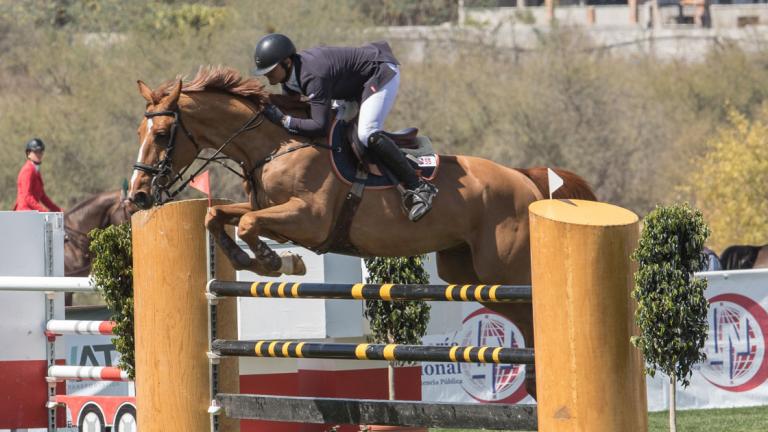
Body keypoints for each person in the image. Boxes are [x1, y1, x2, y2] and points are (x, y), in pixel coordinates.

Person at [251, 33, 438, 222]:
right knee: (339, 128)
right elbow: (296, 106)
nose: (267, 75)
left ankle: (419, 187)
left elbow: (319, 125)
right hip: (352, 86)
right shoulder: (290, 78)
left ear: (287, 63)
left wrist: (284, 121)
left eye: (271, 70)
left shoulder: (312, 75)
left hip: (379, 72)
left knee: (366, 133)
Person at [13, 138, 62, 212]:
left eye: (41, 152)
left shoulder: (35, 171)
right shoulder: (28, 170)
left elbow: (43, 196)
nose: (39, 154)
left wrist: (58, 209)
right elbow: (27, 196)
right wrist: (43, 211)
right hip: (24, 212)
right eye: (36, 152)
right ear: (28, 154)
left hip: (33, 212)